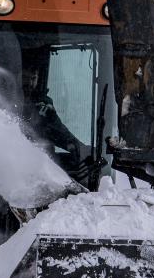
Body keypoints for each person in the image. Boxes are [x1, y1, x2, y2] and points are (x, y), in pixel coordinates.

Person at [19, 52, 101, 184]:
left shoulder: (43, 106)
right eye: (25, 77)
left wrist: (78, 148)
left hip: (42, 172)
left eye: (33, 78)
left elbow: (58, 131)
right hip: (16, 171)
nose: (29, 82)